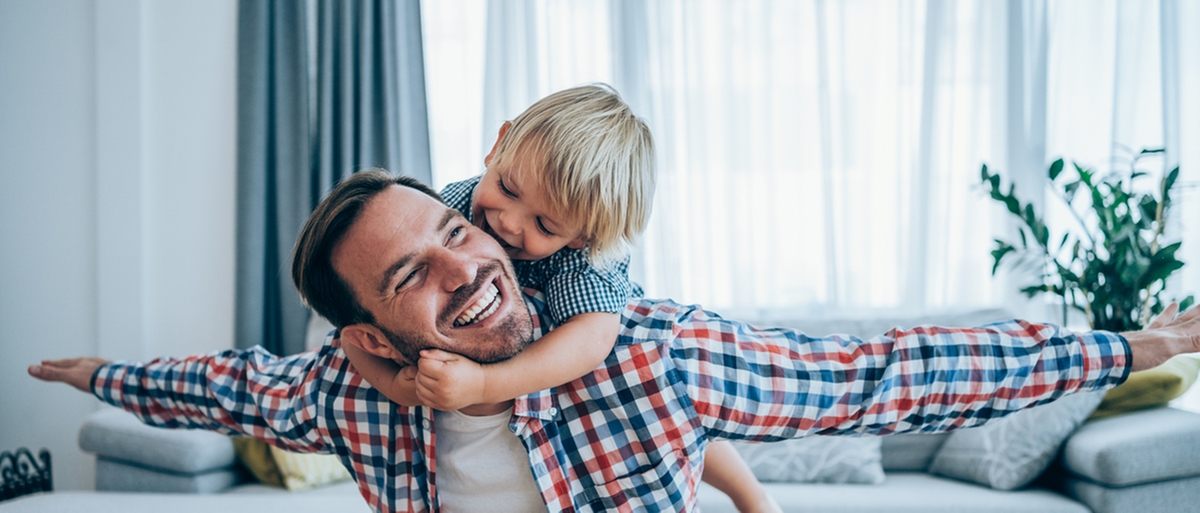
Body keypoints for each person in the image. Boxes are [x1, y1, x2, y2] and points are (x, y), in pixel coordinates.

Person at [30, 170, 1200, 513]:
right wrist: (100, 374)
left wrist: (1126, 346)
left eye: (455, 232)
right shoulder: (352, 396)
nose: (467, 269)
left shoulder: (645, 352)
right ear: (364, 330)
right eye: (409, 276)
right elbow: (228, 388)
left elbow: (882, 373)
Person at [338, 84, 771, 511]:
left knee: (671, 412)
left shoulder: (584, 263)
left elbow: (590, 342)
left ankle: (751, 496)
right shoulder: (450, 207)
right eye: (507, 188)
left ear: (581, 237)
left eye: (544, 226)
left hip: (609, 347)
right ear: (498, 145)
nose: (506, 223)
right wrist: (397, 386)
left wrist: (485, 384)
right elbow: (350, 332)